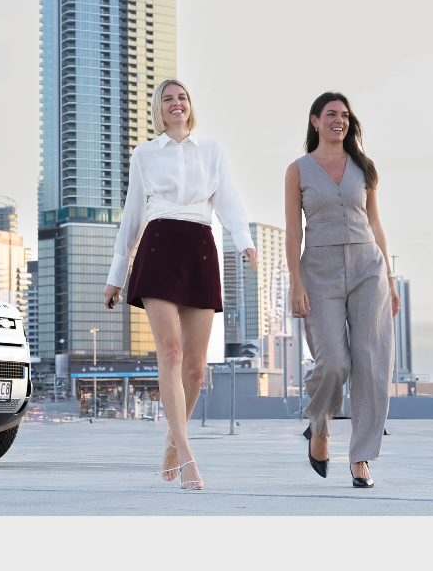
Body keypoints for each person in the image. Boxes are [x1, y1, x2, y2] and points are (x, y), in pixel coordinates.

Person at [104, 79, 256, 491]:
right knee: (169, 352)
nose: (176, 103)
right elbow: (133, 215)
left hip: (200, 248)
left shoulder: (212, 150)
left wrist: (244, 242)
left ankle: (173, 441)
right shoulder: (145, 154)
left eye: (182, 98)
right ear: (158, 109)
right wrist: (116, 276)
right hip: (158, 248)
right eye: (168, 99)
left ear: (190, 106)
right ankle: (188, 456)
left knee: (195, 368)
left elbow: (228, 202)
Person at [285, 92, 398, 489]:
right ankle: (319, 426)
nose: (340, 120)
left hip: (369, 268)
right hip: (319, 270)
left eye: (345, 115)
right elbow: (293, 230)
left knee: (372, 365)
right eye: (331, 114)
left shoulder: (363, 167)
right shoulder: (298, 169)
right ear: (315, 121)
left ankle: (361, 457)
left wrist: (391, 279)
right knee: (333, 362)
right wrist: (296, 282)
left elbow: (377, 225)